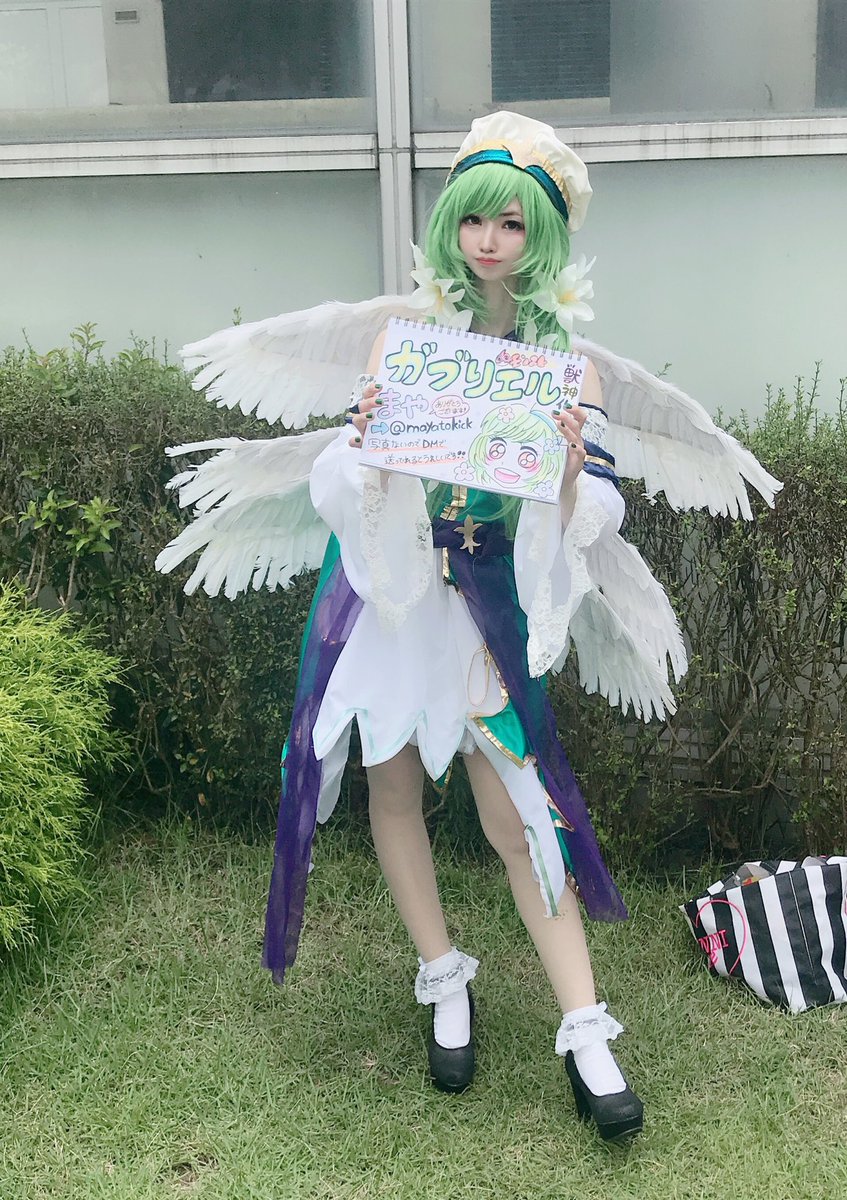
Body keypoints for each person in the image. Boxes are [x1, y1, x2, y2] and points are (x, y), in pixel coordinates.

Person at [157, 111, 781, 1145]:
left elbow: (592, 512)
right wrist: (364, 445)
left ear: (544, 237)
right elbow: (349, 487)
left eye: (512, 223)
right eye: (473, 220)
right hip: (394, 595)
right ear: (448, 225)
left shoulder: (567, 366)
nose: (489, 241)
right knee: (392, 787)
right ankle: (443, 976)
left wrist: (570, 470)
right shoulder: (402, 340)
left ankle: (586, 1031)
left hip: (489, 604)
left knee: (518, 814)